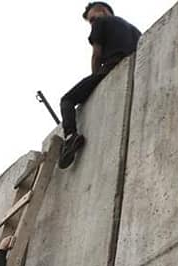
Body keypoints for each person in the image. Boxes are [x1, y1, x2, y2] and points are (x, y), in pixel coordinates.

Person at [58, 2, 141, 169]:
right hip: (133, 67)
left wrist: (95, 78)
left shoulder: (101, 23)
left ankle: (70, 137)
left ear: (103, 11)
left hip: (109, 68)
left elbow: (96, 55)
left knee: (66, 100)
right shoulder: (134, 29)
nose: (92, 23)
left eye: (92, 19)